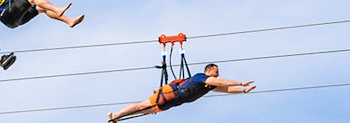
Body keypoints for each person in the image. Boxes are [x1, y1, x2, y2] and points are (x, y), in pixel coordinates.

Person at [107, 64, 255, 120]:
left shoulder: (210, 85)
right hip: (170, 94)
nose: (217, 75)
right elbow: (221, 82)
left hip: (174, 100)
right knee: (143, 105)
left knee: (146, 110)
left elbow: (226, 89)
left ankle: (117, 117)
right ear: (208, 71)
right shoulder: (202, 77)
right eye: (216, 72)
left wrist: (243, 91)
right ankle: (115, 114)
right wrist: (240, 82)